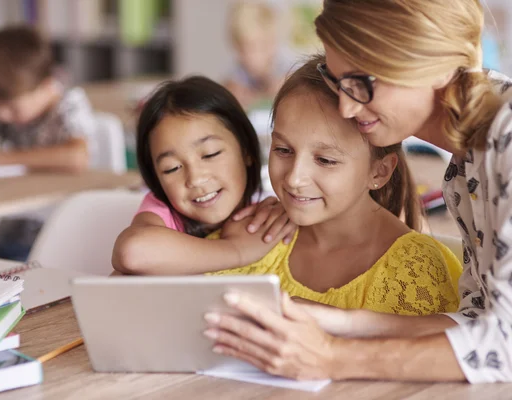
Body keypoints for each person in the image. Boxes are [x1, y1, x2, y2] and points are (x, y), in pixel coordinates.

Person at [204, 0, 512, 383]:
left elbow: (506, 346)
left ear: (436, 67)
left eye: (363, 84)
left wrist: (333, 357)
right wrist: (339, 321)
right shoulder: (469, 162)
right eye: (337, 81)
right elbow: (479, 324)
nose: (347, 108)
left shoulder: (507, 144)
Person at [208, 54, 462, 315]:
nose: (295, 178)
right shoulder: (252, 232)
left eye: (326, 160)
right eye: (283, 150)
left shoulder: (415, 275)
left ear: (379, 171)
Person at [0, 25, 96, 261]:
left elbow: (77, 157)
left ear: (46, 85)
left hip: (59, 229)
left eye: (12, 107)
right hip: (10, 223)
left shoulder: (69, 106)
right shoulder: (2, 107)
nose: (2, 115)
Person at [112, 76, 294, 275]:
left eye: (210, 154)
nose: (195, 179)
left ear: (246, 151)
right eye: (171, 168)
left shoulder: (267, 212)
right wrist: (237, 250)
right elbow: (132, 252)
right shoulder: (162, 212)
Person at [223, 1, 291, 110]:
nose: (258, 55)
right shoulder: (236, 78)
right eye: (251, 47)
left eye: (264, 45)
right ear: (238, 49)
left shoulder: (287, 71)